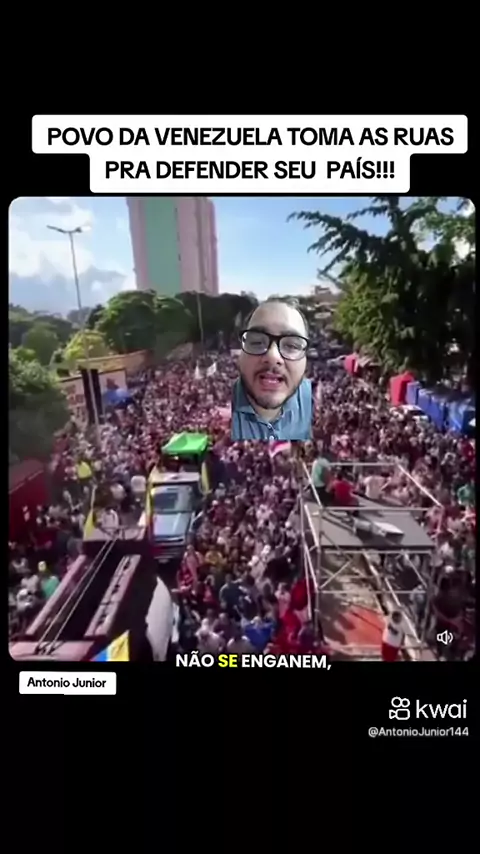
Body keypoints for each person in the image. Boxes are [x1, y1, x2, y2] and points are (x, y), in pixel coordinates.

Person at [231, 299, 313, 440]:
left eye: (292, 346)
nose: (273, 356)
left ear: (305, 359)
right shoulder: (214, 414)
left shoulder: (314, 399)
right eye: (257, 342)